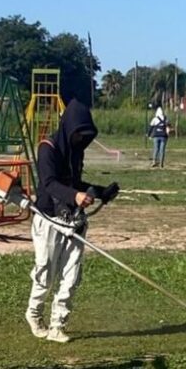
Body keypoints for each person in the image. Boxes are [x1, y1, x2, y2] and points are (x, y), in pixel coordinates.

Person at [25, 100, 118, 343]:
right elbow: (50, 183)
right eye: (79, 135)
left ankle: (58, 325)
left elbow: (75, 182)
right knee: (45, 272)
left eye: (86, 137)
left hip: (73, 219)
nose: (81, 141)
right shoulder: (47, 148)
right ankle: (34, 315)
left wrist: (98, 191)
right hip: (48, 218)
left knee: (72, 273)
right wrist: (75, 195)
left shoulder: (77, 152)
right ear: (68, 128)